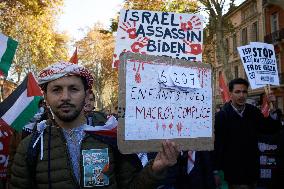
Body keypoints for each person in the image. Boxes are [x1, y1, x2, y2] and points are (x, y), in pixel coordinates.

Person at [10, 61, 180, 189]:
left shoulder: (111, 137)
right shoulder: (30, 147)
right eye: (56, 90)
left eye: (74, 89)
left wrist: (155, 170)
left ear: (87, 95)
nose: (65, 97)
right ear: (45, 98)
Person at [214, 78, 281, 189]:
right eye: (237, 92)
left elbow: (269, 128)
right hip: (233, 169)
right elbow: (217, 144)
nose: (241, 95)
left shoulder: (253, 111)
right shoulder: (222, 116)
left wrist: (273, 108)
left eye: (244, 92)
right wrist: (215, 171)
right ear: (230, 94)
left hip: (252, 169)